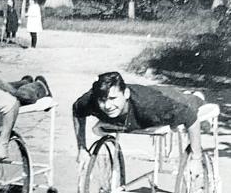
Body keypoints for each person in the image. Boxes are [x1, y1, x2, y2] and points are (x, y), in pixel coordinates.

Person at [72, 71, 205, 176]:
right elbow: (77, 109)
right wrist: (82, 148)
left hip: (161, 98)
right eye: (102, 100)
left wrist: (196, 159)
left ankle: (196, 96)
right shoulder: (92, 99)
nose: (107, 105)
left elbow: (190, 117)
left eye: (113, 98)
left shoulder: (151, 105)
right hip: (141, 97)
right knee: (145, 98)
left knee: (188, 101)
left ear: (126, 94)